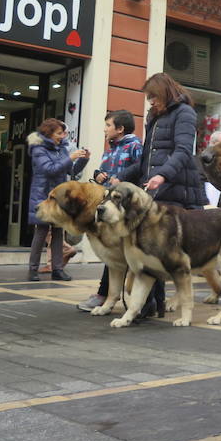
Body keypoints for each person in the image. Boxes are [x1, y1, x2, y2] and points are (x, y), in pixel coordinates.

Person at [119, 73, 208, 317]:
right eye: (148, 98)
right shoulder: (153, 117)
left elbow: (183, 151)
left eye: (153, 97)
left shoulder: (185, 113)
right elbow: (147, 157)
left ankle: (148, 304)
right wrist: (123, 176)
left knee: (156, 248)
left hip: (176, 190)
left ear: (165, 92)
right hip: (156, 190)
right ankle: (152, 304)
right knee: (150, 248)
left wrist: (163, 176)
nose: (150, 102)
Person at [77, 109, 142, 312]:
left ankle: (105, 294)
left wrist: (121, 177)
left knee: (119, 253)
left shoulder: (135, 146)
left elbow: (141, 168)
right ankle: (107, 294)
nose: (104, 129)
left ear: (120, 129)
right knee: (114, 253)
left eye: (108, 125)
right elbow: (103, 169)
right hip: (108, 208)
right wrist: (99, 175)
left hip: (125, 211)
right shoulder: (110, 148)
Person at [26, 118, 88, 281]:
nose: (63, 136)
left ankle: (57, 270)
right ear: (49, 133)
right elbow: (49, 169)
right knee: (41, 232)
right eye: (59, 133)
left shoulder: (61, 149)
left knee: (59, 232)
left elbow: (71, 171)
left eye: (63, 133)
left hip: (59, 197)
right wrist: (70, 157)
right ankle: (33, 269)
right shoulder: (38, 149)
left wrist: (83, 159)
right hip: (43, 197)